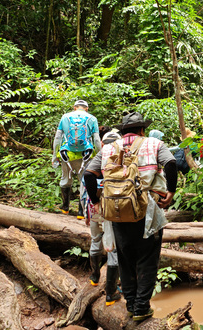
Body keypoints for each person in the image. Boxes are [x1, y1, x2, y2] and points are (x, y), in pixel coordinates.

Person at [98, 112, 177, 321]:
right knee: (148, 259)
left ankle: (131, 305)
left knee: (125, 259)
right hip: (147, 211)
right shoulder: (154, 144)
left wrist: (97, 202)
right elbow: (170, 163)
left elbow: (89, 174)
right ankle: (142, 308)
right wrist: (171, 191)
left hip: (116, 212)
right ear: (142, 129)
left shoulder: (108, 148)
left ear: (123, 131)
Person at [82, 130, 122, 306]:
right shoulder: (121, 157)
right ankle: (111, 293)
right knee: (112, 246)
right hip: (111, 207)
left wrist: (90, 208)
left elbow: (86, 183)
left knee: (95, 240)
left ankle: (94, 276)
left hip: (94, 208)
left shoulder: (98, 159)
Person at [52, 100, 101, 217]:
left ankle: (65, 208)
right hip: (85, 154)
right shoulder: (92, 118)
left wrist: (54, 155)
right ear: (87, 108)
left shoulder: (65, 117)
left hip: (66, 154)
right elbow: (97, 140)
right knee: (83, 182)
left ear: (74, 107)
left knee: (65, 180)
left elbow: (58, 137)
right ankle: (81, 212)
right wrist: (100, 156)